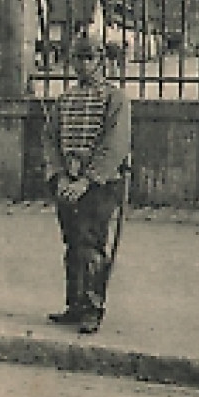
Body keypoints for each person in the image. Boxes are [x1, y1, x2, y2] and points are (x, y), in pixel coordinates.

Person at [39, 36, 132, 335]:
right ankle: (75, 304)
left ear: (100, 60)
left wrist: (89, 180)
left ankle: (93, 307)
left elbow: (115, 144)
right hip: (67, 181)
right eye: (77, 58)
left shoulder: (115, 99)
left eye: (88, 58)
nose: (82, 64)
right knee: (72, 242)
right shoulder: (65, 100)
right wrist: (61, 176)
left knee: (91, 244)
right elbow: (50, 139)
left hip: (100, 185)